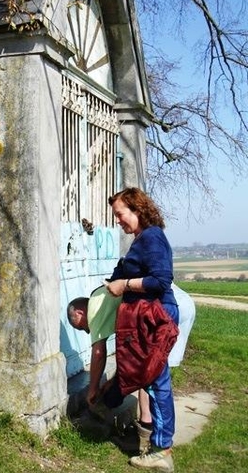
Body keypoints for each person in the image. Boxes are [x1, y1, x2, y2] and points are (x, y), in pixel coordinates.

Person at [68, 187, 178, 473]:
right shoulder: (144, 239)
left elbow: (161, 280)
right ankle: (154, 444)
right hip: (149, 317)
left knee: (155, 382)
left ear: (137, 209)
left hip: (156, 317)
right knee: (151, 379)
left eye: (120, 214)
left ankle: (161, 451)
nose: (117, 221)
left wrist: (124, 285)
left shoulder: (152, 237)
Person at [137, 284, 196, 449]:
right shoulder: (153, 266)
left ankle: (146, 430)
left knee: (148, 370)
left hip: (167, 308)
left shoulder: (127, 280)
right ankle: (158, 430)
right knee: (160, 371)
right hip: (184, 303)